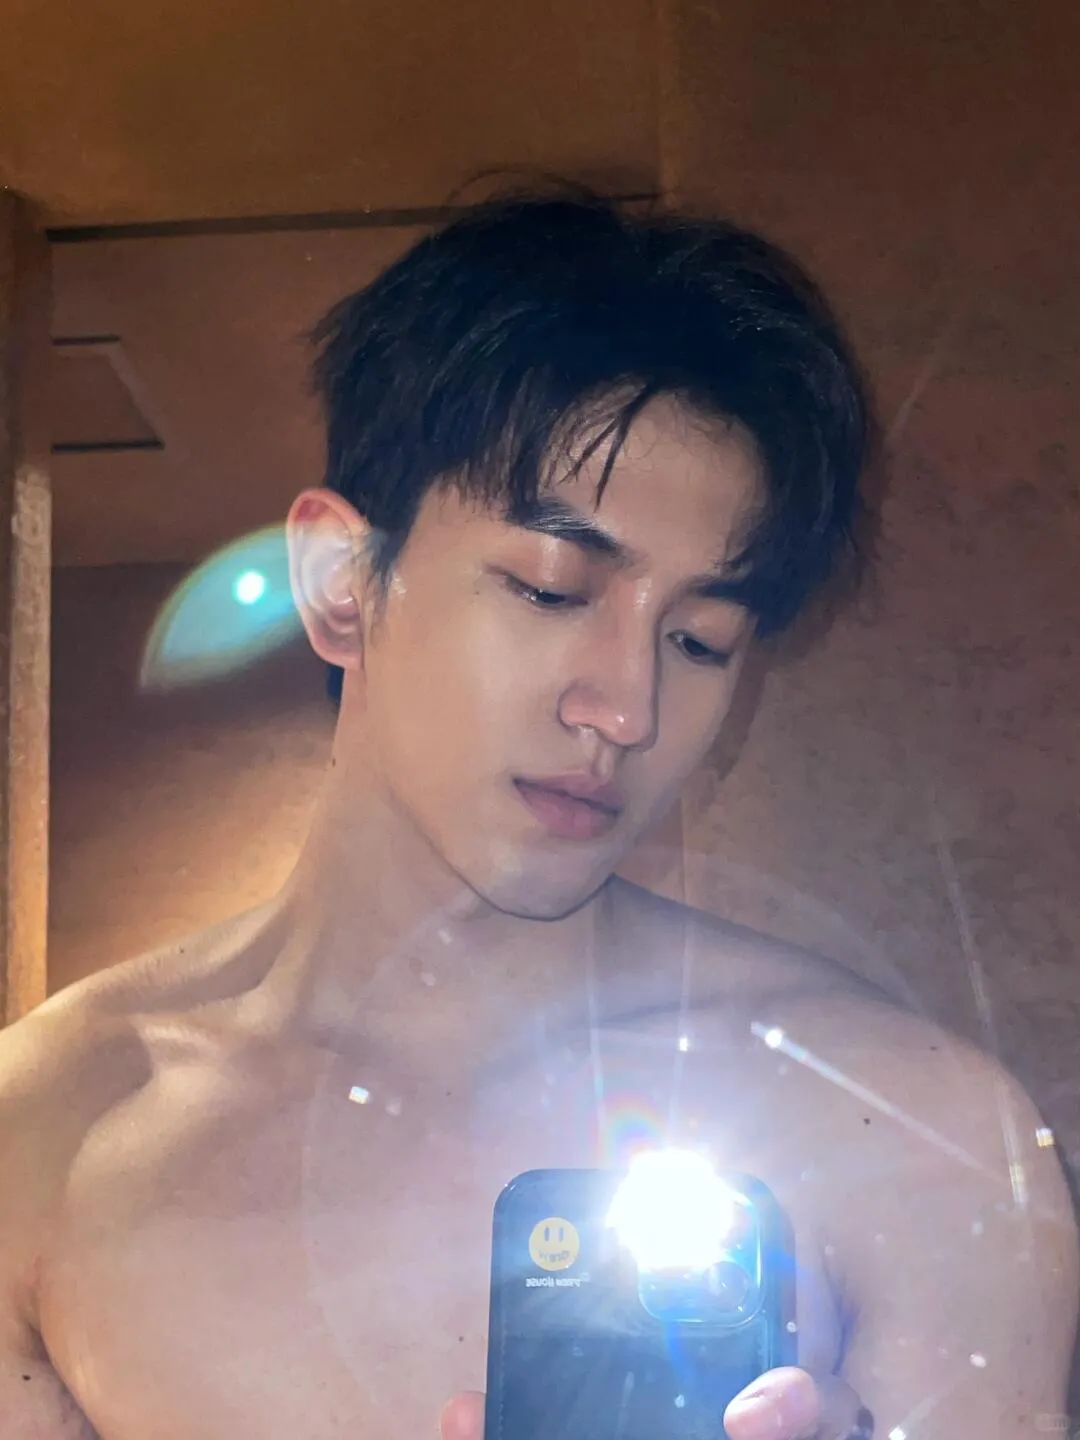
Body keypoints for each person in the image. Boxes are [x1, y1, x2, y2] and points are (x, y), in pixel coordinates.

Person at [1, 190, 1075, 1440]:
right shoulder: (46, 1130)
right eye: (552, 589)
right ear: (342, 585)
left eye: (700, 639)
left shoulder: (919, 1126)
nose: (626, 707)